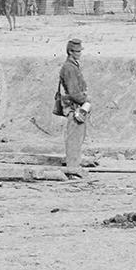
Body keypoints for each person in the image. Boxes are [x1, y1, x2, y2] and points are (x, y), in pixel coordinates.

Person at [57, 38, 90, 174]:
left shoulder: (72, 65)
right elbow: (73, 92)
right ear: (70, 52)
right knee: (74, 137)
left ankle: (74, 165)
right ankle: (72, 169)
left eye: (80, 51)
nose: (79, 54)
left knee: (77, 136)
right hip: (74, 106)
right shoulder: (69, 68)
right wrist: (85, 100)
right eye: (77, 51)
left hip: (76, 105)